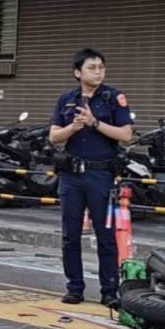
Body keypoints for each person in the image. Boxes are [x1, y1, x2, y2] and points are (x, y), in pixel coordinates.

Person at [49, 48, 133, 307]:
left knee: (105, 234)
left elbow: (126, 135)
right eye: (92, 68)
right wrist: (72, 127)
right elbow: (53, 136)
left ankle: (110, 290)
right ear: (78, 72)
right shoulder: (66, 99)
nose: (98, 72)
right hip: (71, 175)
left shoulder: (113, 97)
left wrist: (95, 123)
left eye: (101, 67)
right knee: (70, 234)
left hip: (100, 174)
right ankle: (75, 287)